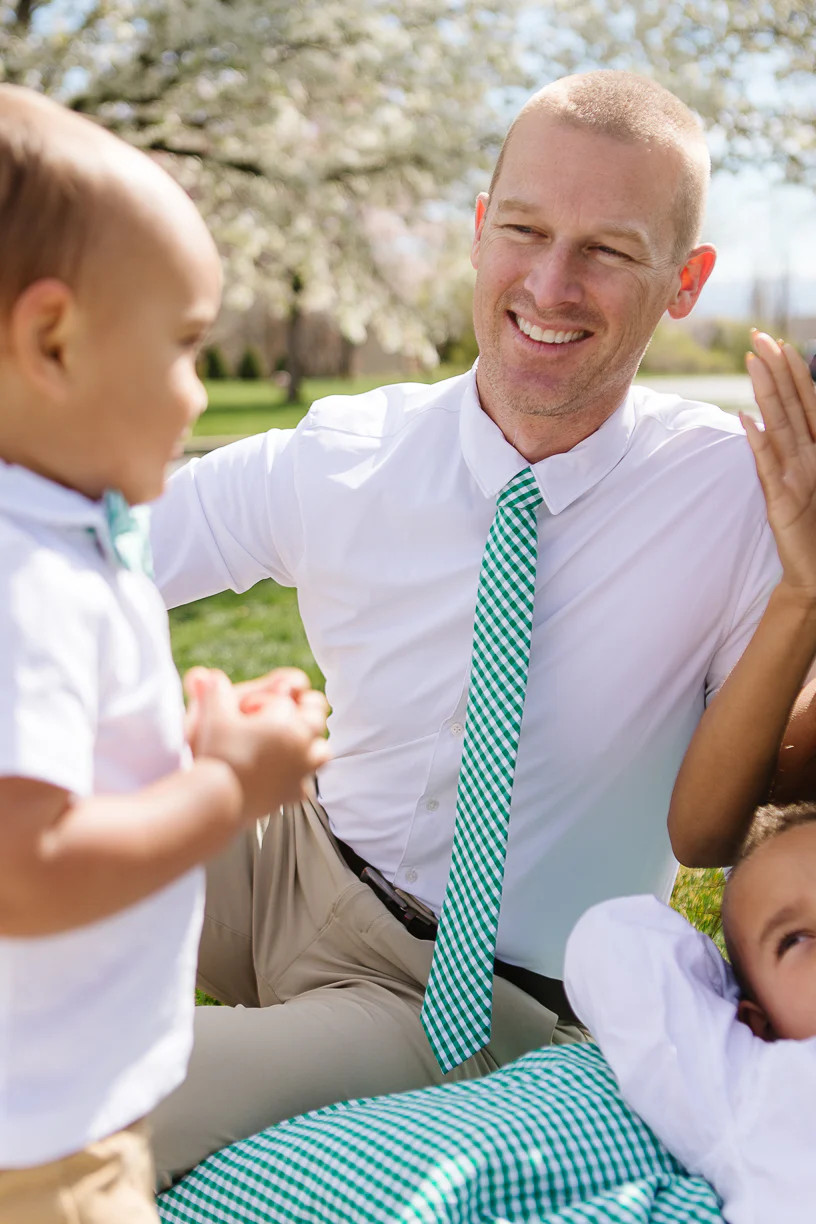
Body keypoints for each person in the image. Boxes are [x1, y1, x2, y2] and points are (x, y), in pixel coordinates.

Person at [148, 70, 807, 1182]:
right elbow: (89, 554)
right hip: (287, 858)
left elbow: (711, 831)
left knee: (92, 1091)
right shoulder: (347, 448)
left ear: (684, 281)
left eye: (609, 249)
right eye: (525, 230)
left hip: (455, 990)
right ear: (477, 230)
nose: (552, 283)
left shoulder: (749, 498)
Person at [0, 87, 329, 1224]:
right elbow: (25, 867)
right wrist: (229, 785)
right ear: (52, 341)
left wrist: (177, 746)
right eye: (186, 346)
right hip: (45, 1151)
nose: (199, 392)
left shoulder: (50, 538)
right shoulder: (27, 582)